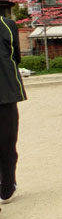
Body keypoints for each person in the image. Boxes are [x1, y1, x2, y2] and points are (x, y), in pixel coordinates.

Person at [1, 15, 26, 204]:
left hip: (6, 93)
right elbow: (16, 58)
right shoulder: (7, 25)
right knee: (7, 143)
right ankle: (7, 186)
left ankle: (7, 186)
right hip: (6, 91)